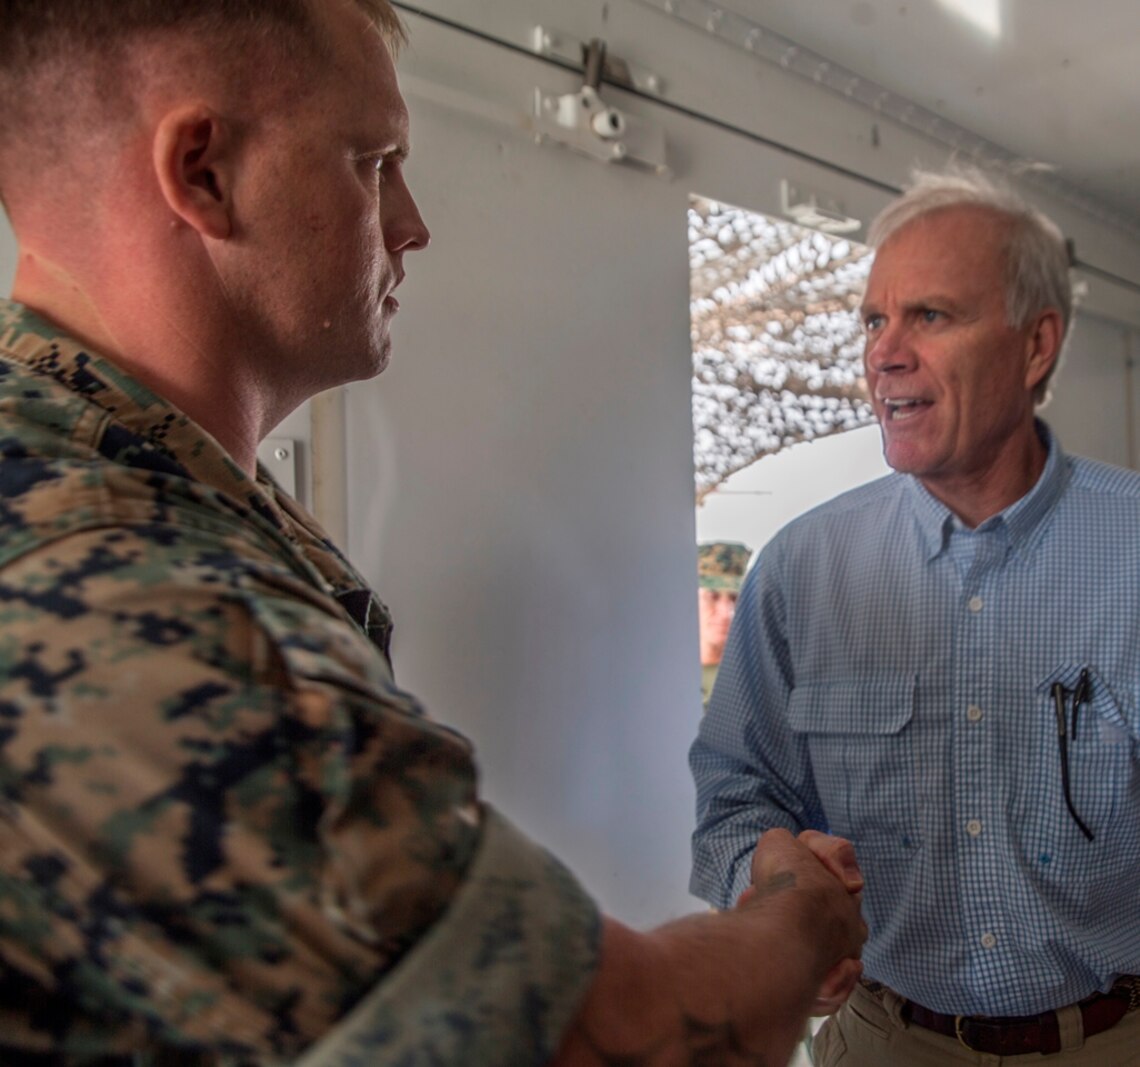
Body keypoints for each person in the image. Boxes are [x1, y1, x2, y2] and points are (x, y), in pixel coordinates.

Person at [0, 1, 867, 1064]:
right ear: (203, 172)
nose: (411, 224)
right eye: (372, 164)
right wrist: (800, 912)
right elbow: (633, 1041)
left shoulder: (143, 488)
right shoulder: (123, 592)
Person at [690, 164, 1140, 1065]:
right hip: (885, 1039)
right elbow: (734, 797)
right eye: (873, 320)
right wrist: (774, 894)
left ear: (1036, 345)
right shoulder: (801, 569)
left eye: (930, 315)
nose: (884, 354)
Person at [697, 541, 752, 705]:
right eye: (712, 597)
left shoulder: (755, 678)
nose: (727, 612)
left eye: (735, 598)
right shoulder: (667, 675)